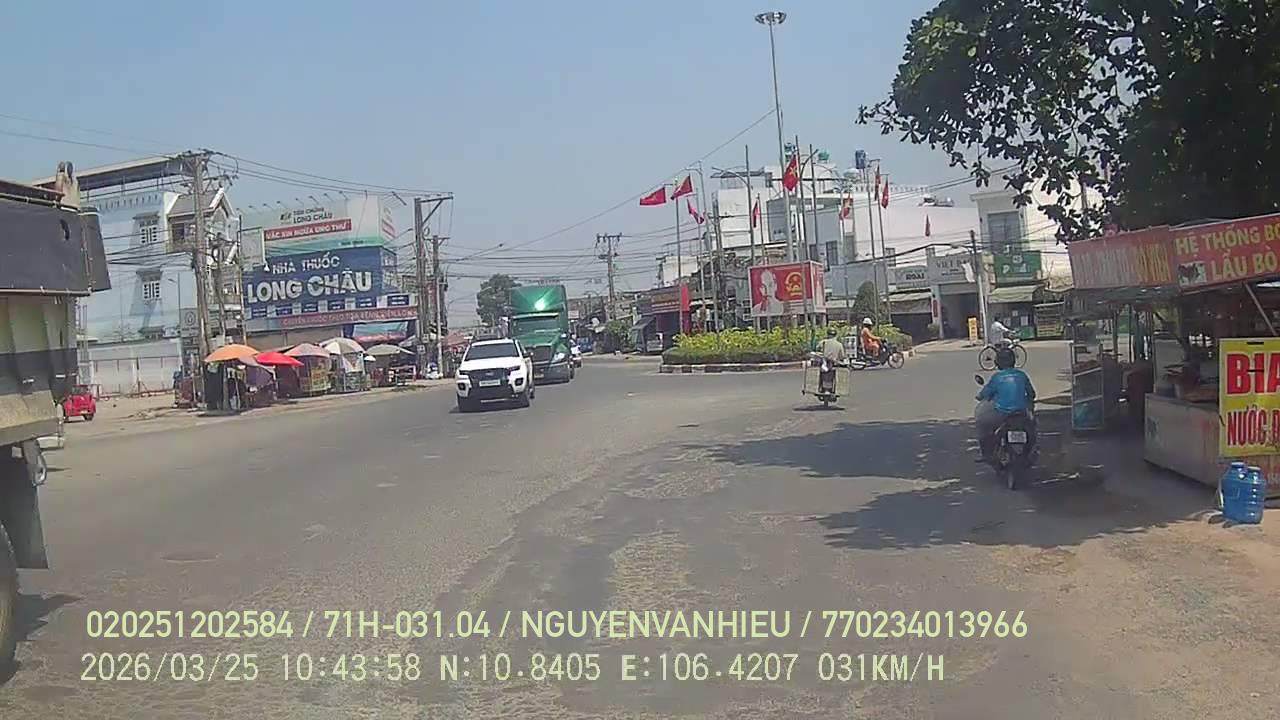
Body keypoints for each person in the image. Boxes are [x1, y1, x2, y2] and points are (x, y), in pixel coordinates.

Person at [975, 346, 1037, 461]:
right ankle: (1033, 448)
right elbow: (1032, 394)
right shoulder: (1022, 375)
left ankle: (986, 453)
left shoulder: (997, 377)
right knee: (1032, 425)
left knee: (982, 422)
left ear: (998, 362)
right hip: (1021, 413)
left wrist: (980, 396)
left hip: (1002, 414)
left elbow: (983, 394)